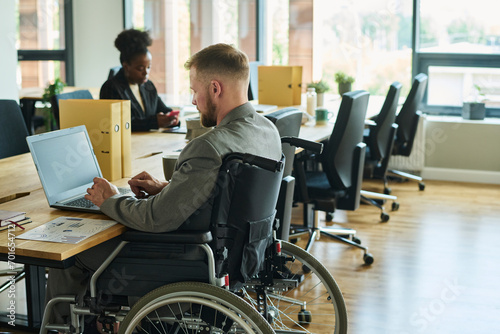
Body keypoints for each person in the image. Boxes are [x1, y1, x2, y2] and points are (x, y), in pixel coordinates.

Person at [44, 43, 282, 326]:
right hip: (241, 254)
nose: (193, 101)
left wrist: (109, 199)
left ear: (215, 89)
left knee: (73, 252)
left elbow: (155, 217)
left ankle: (61, 326)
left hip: (181, 259)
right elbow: (224, 195)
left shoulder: (208, 146)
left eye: (195, 91)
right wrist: (169, 187)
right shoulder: (269, 131)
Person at [100, 29, 179, 131]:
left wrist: (171, 119)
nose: (146, 73)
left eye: (149, 67)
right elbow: (119, 124)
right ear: (126, 66)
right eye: (140, 69)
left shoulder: (148, 85)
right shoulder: (111, 88)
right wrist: (154, 122)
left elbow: (163, 109)